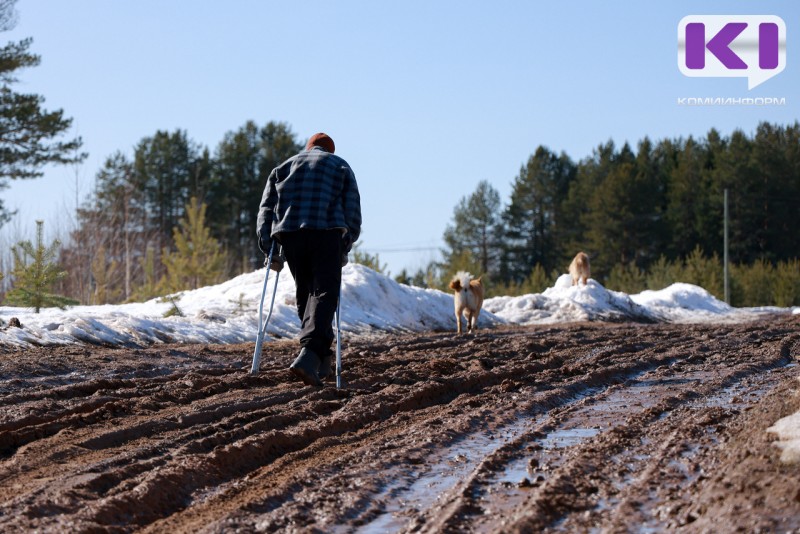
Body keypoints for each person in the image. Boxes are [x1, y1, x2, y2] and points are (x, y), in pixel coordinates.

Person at [257, 133, 362, 387]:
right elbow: (352, 210)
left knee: (306, 292)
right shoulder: (340, 166)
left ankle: (322, 358)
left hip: (291, 234)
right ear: (329, 151)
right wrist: (347, 241)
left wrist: (268, 244)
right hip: (326, 234)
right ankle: (310, 354)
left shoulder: (283, 167)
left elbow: (266, 209)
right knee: (325, 293)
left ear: (309, 148)